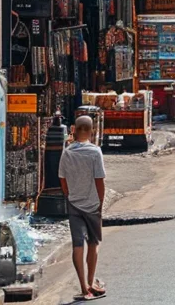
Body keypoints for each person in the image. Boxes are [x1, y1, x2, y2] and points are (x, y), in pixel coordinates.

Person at [58, 115, 107, 301]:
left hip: (74, 203)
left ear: (74, 130)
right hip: (93, 204)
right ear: (92, 131)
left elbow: (62, 179)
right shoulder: (95, 152)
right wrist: (100, 203)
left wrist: (69, 195)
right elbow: (99, 181)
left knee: (77, 244)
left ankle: (83, 286)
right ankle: (91, 280)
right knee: (93, 244)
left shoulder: (67, 152)